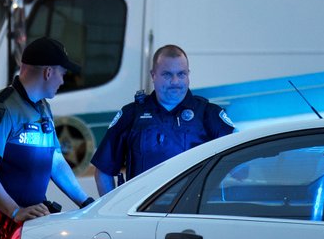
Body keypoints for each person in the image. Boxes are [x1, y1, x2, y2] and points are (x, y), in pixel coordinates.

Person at [0, 37, 94, 239]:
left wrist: (86, 203)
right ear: (48, 72)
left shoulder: (42, 107)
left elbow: (55, 161)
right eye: (62, 74)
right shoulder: (2, 107)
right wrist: (15, 211)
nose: (62, 81)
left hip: (26, 228)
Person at [91, 44, 235, 196]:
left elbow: (241, 169)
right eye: (167, 75)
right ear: (153, 75)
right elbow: (103, 171)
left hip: (191, 214)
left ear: (188, 74)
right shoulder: (131, 114)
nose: (175, 82)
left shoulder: (209, 114)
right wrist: (113, 213)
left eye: (181, 74)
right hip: (141, 213)